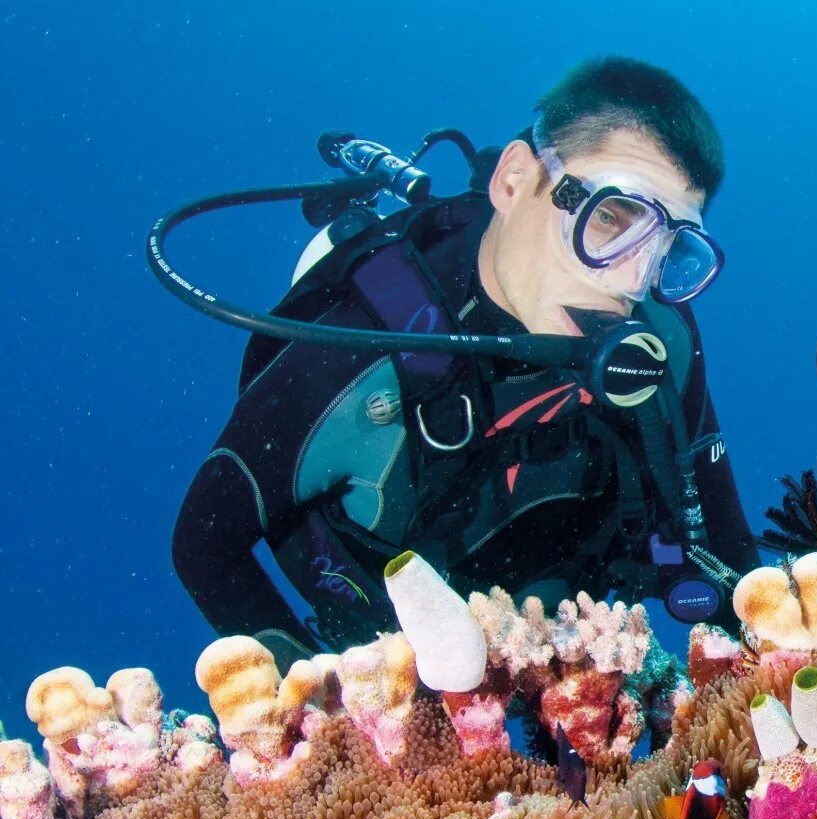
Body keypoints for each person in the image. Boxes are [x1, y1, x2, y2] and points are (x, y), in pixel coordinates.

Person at [171, 57, 760, 672]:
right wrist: (311, 694)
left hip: (565, 623)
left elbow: (726, 550)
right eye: (610, 217)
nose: (632, 281)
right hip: (393, 637)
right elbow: (205, 544)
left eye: (670, 247)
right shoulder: (358, 348)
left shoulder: (662, 338)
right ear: (512, 181)